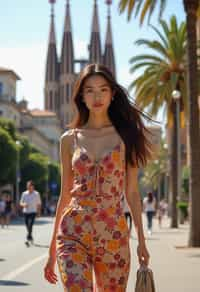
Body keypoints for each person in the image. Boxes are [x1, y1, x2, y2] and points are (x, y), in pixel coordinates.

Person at [44, 64, 153, 291]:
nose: (97, 96)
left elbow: (132, 193)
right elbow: (65, 193)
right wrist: (52, 248)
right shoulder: (68, 140)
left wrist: (142, 241)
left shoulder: (126, 137)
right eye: (90, 90)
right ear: (81, 96)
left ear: (112, 94)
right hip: (73, 232)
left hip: (113, 234)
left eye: (103, 89)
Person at [20, 180, 42, 246]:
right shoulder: (24, 193)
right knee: (27, 225)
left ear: (33, 187)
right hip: (26, 212)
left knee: (30, 225)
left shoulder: (36, 194)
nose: (28, 187)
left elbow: (39, 204)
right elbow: (21, 202)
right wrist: (23, 205)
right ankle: (30, 236)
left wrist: (39, 213)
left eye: (30, 186)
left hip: (33, 211)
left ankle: (27, 238)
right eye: (28, 186)